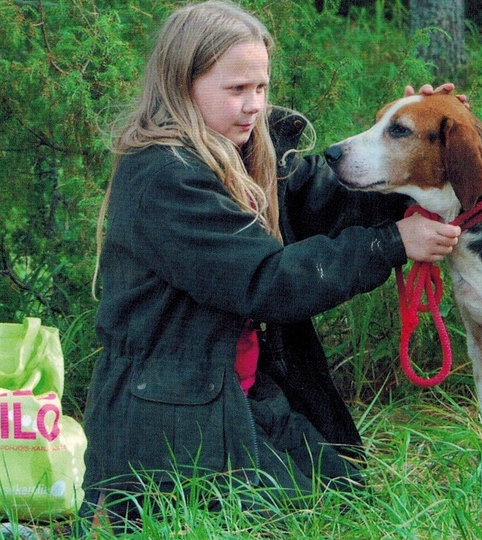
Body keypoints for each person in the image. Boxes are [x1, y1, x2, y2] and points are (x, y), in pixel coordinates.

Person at [79, 0, 461, 529]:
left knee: (343, 501)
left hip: (237, 400)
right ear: (180, 83)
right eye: (236, 90)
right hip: (169, 421)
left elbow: (332, 202)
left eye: (260, 87)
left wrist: (418, 139)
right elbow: (266, 282)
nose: (254, 105)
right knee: (286, 521)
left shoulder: (246, 154)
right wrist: (392, 244)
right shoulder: (163, 176)